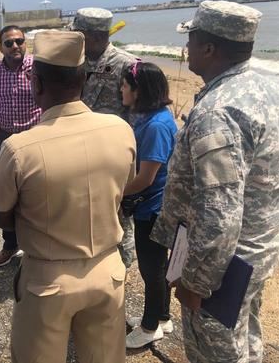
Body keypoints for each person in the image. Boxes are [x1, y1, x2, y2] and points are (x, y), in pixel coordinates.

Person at [0, 30, 136, 363]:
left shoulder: (19, 148)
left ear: (36, 84)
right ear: (83, 79)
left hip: (48, 280)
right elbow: (122, 190)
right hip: (108, 271)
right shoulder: (120, 130)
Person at [151, 0, 279, 363]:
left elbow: (219, 211)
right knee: (246, 337)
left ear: (209, 48)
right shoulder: (267, 88)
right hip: (257, 248)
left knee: (217, 351)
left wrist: (197, 281)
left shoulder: (217, 111)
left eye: (191, 39)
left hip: (224, 263)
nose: (185, 48)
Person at [71, 7, 138, 269]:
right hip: (79, 151)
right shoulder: (75, 62)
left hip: (114, 154)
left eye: (80, 35)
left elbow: (139, 113)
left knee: (118, 211)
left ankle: (122, 261)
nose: (76, 41)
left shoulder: (128, 65)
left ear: (95, 36)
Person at [118, 62, 178, 348]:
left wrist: (114, 193)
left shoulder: (156, 126)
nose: (121, 90)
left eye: (125, 85)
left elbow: (145, 178)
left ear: (138, 90)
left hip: (152, 209)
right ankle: (163, 317)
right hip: (151, 205)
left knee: (151, 270)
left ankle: (149, 326)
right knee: (159, 267)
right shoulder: (148, 117)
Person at [0, 25, 42, 267]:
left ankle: (37, 245)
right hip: (5, 138)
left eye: (19, 41)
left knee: (38, 190)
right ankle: (10, 243)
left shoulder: (38, 66)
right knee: (8, 192)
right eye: (9, 43)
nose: (15, 46)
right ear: (0, 47)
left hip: (36, 136)